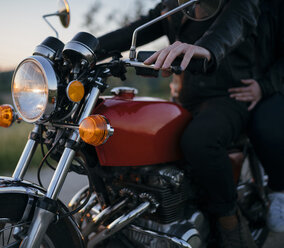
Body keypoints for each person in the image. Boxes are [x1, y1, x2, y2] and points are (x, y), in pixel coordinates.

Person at [97, 0, 260, 247]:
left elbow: (235, 22)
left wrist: (205, 49)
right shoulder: (172, 6)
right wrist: (85, 48)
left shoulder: (235, 4)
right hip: (186, 97)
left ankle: (231, 223)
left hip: (228, 96)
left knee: (199, 140)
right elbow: (133, 30)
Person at [228, 0, 284, 233]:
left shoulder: (274, 6)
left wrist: (264, 86)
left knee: (267, 127)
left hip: (268, 84)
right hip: (214, 90)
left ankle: (280, 190)